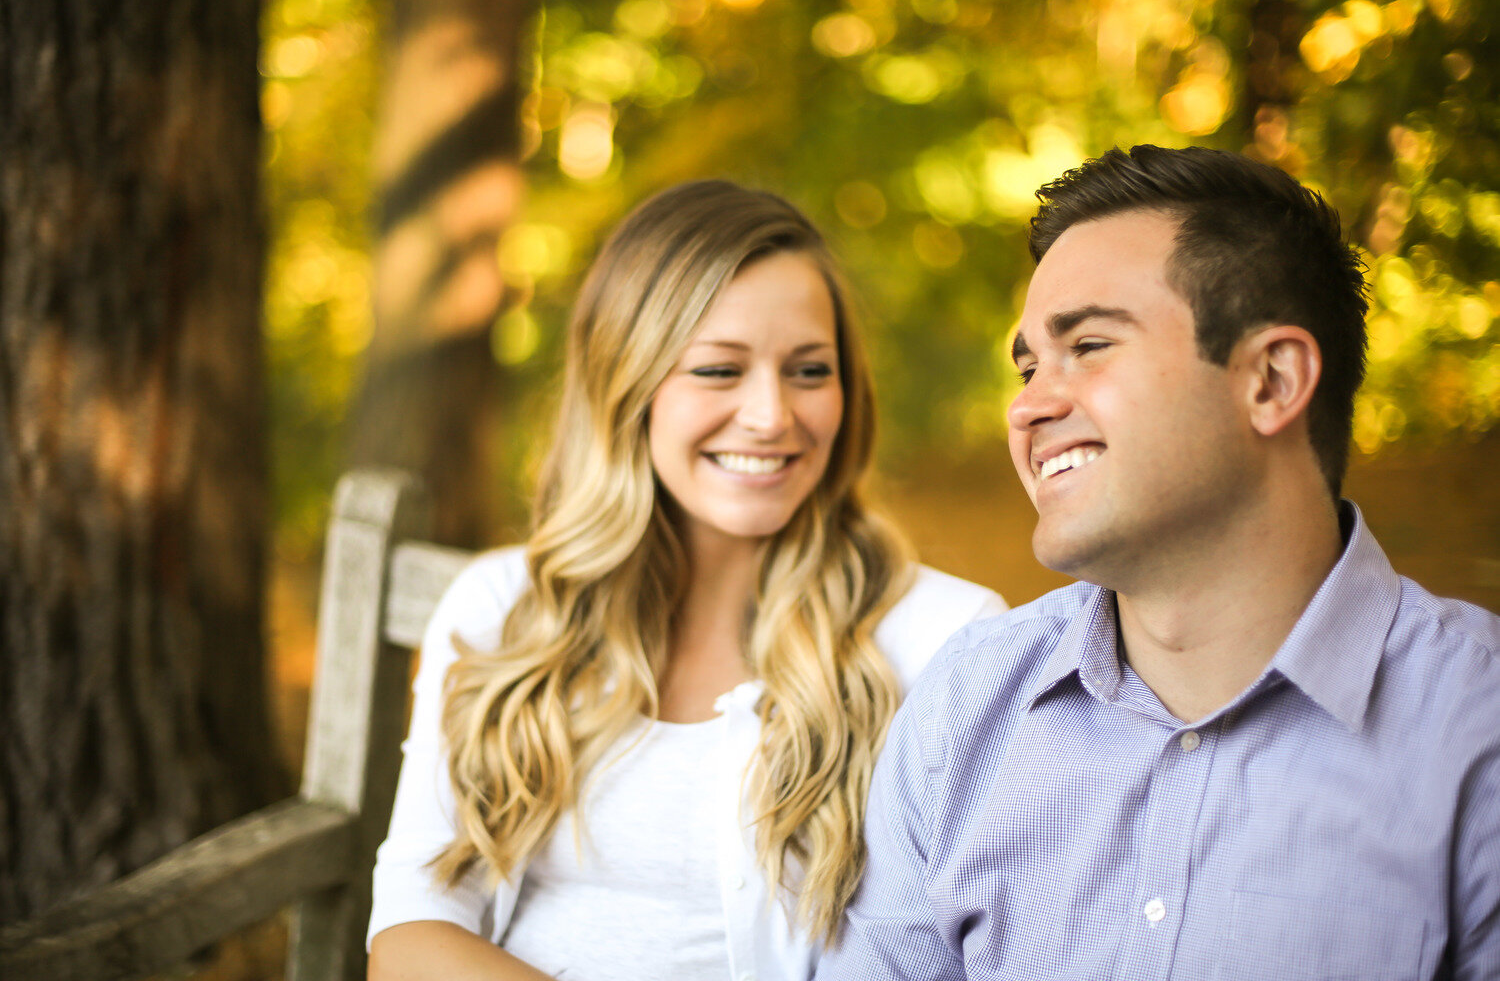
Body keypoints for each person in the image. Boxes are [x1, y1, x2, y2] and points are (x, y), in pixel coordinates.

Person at [816, 145, 1500, 980]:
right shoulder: (965, 711)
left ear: (1272, 381)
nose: (1030, 406)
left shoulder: (1475, 734)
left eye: (1091, 346)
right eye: (1029, 366)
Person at [365, 180, 1006, 981]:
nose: (772, 415)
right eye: (718, 370)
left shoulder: (943, 639)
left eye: (810, 370)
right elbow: (412, 926)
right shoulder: (506, 608)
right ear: (627, 385)